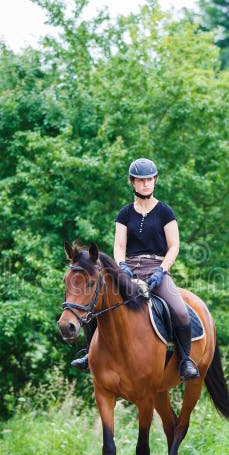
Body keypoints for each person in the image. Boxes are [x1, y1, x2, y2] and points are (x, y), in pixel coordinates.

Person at [71, 158, 200, 381]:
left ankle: (185, 360)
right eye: (141, 180)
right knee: (96, 302)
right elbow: (119, 246)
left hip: (157, 268)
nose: (146, 184)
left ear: (155, 180)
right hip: (129, 270)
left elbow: (174, 246)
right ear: (132, 182)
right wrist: (121, 266)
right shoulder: (124, 214)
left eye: (150, 179)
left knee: (179, 310)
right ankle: (89, 353)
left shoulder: (165, 212)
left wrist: (162, 270)